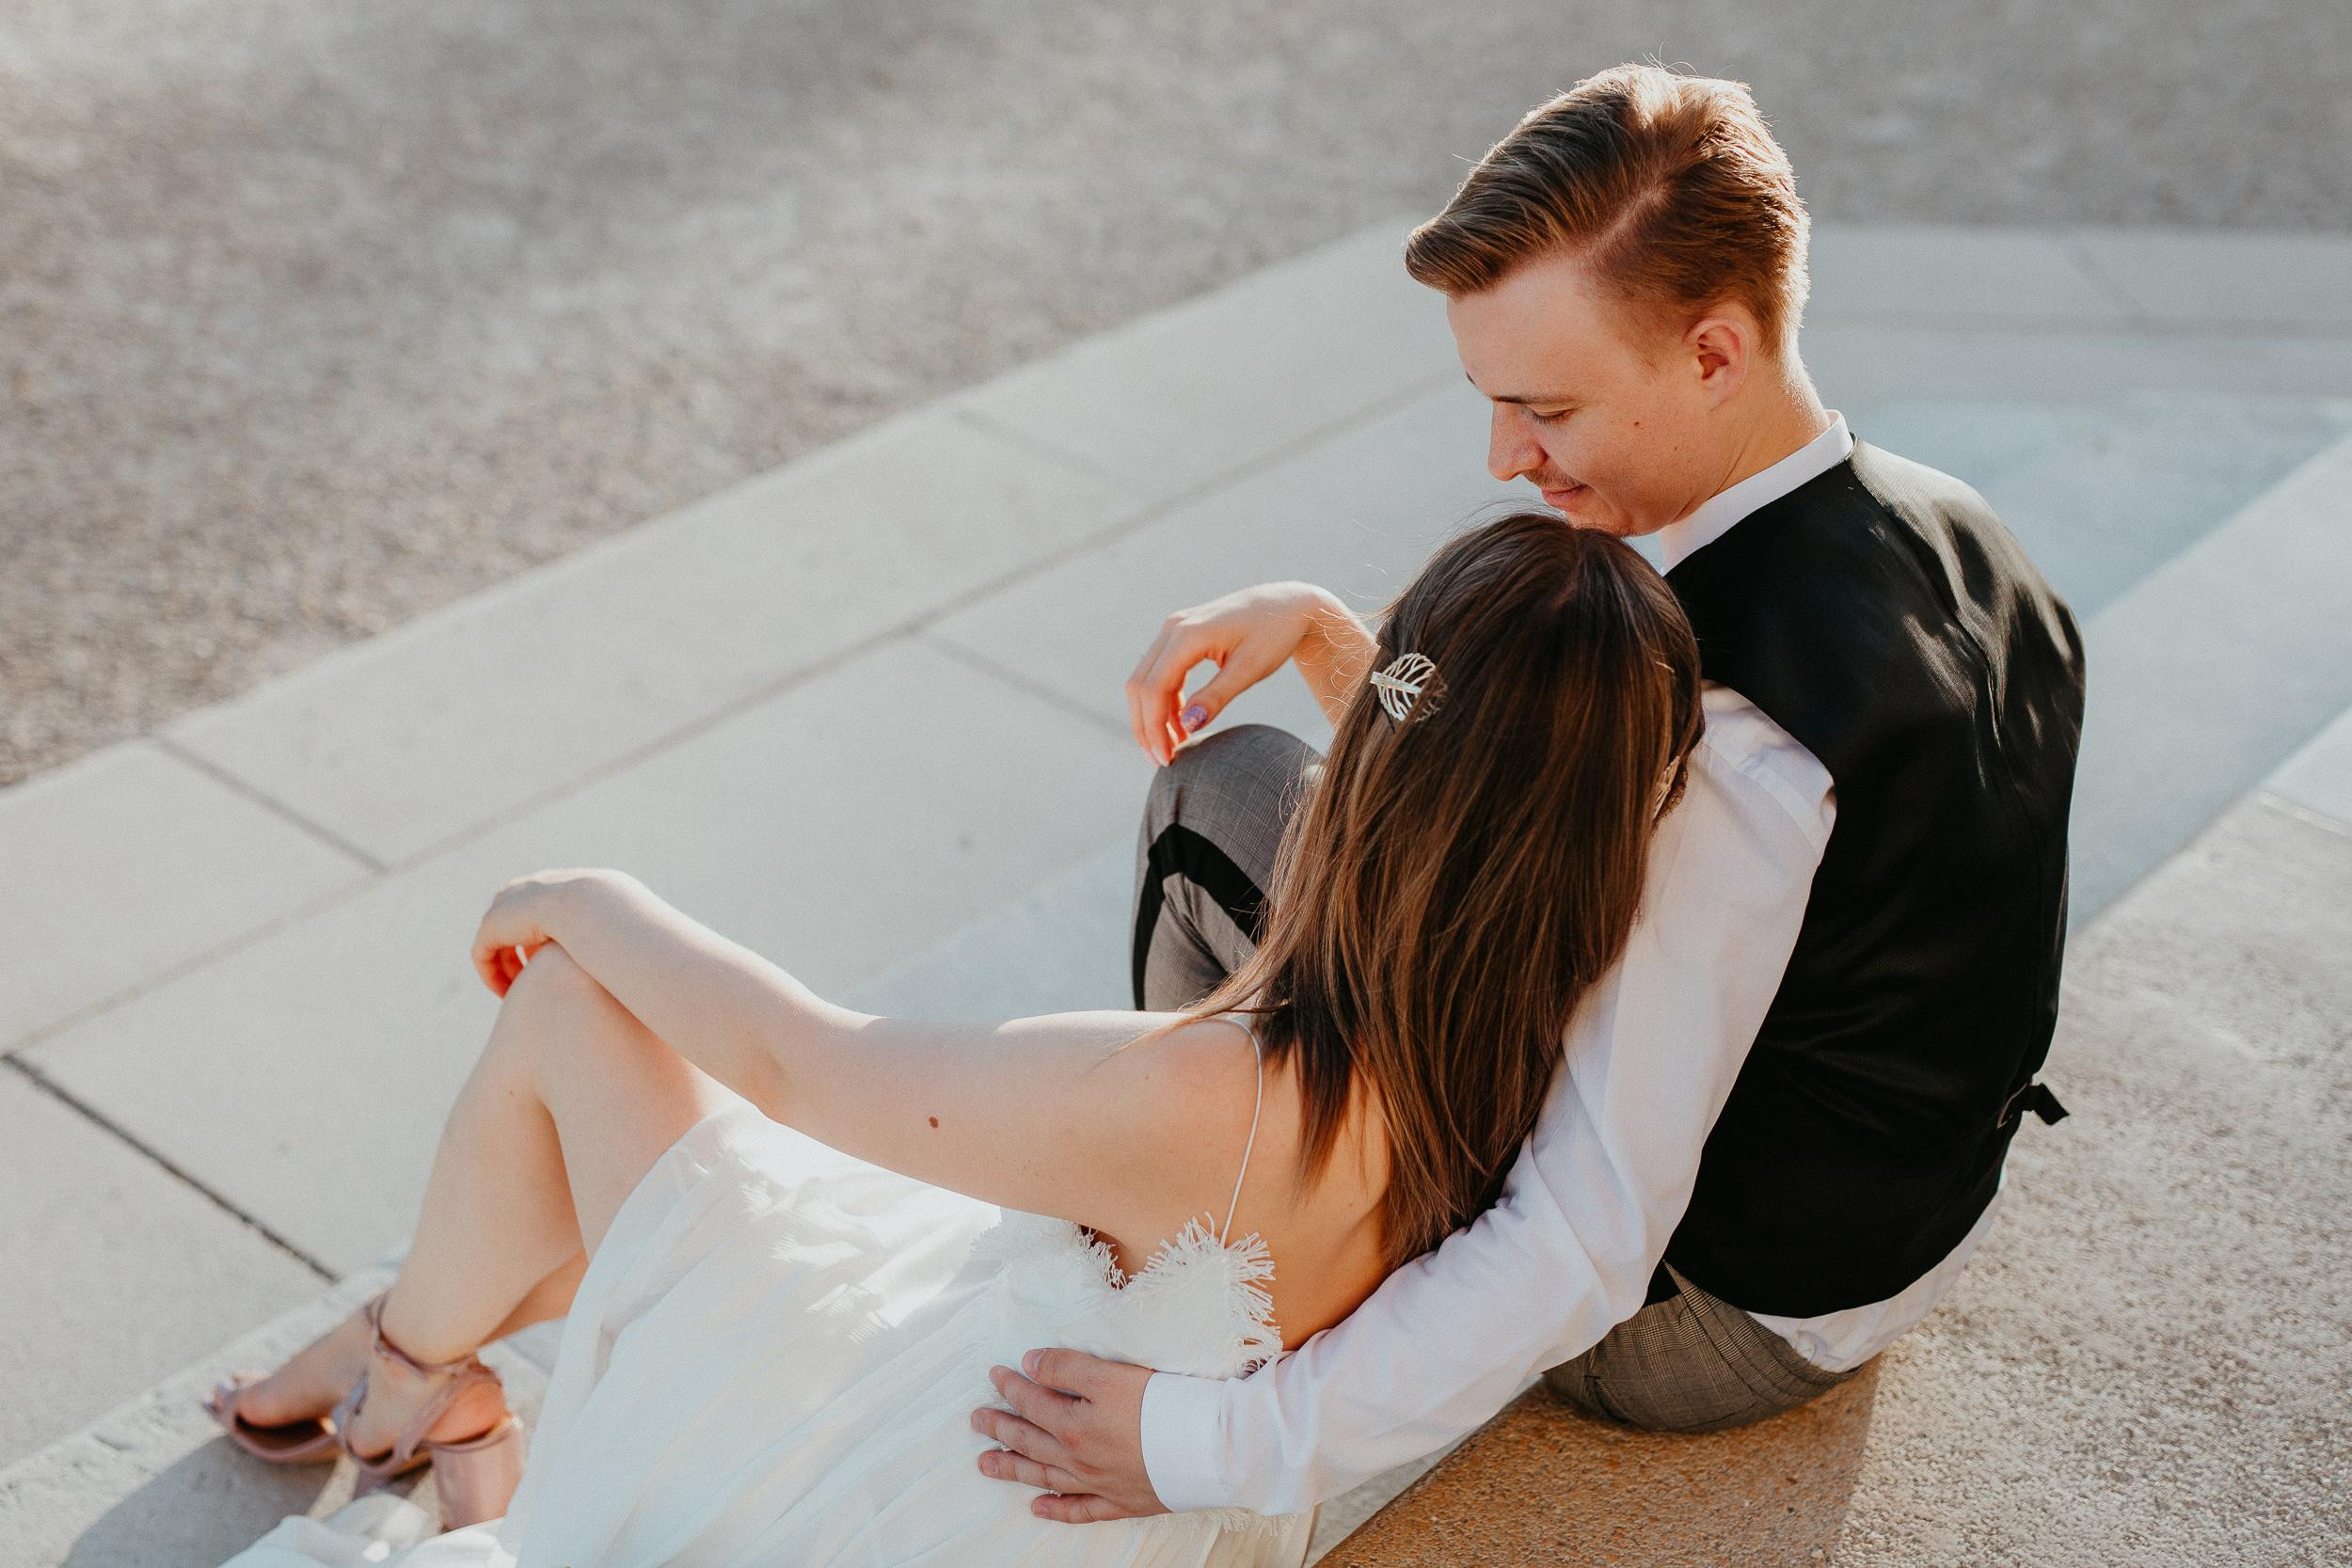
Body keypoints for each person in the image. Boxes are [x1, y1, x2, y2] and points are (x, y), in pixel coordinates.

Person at [975, 62, 2088, 1525]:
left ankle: (1189, 1264)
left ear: (1714, 352)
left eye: (1546, 409)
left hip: (1718, 1319)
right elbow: (1515, 817)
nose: (1506, 460)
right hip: (1909, 1209)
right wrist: (1329, 635)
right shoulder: (1953, 526)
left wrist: (1205, 1447)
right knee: (1308, 825)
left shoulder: (1727, 733)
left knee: (1216, 805)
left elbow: (1589, 1232)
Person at [198, 511, 1705, 1565]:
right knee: (662, 1179)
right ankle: (434, 1368)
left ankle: (409, 1370)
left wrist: (587, 895)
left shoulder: (1200, 1095)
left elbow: (809, 1063)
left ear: (1373, 768)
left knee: (576, 1000)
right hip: (1122, 1489)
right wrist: (1330, 638)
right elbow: (1490, 791)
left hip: (928, 1496)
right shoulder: (1526, 1047)